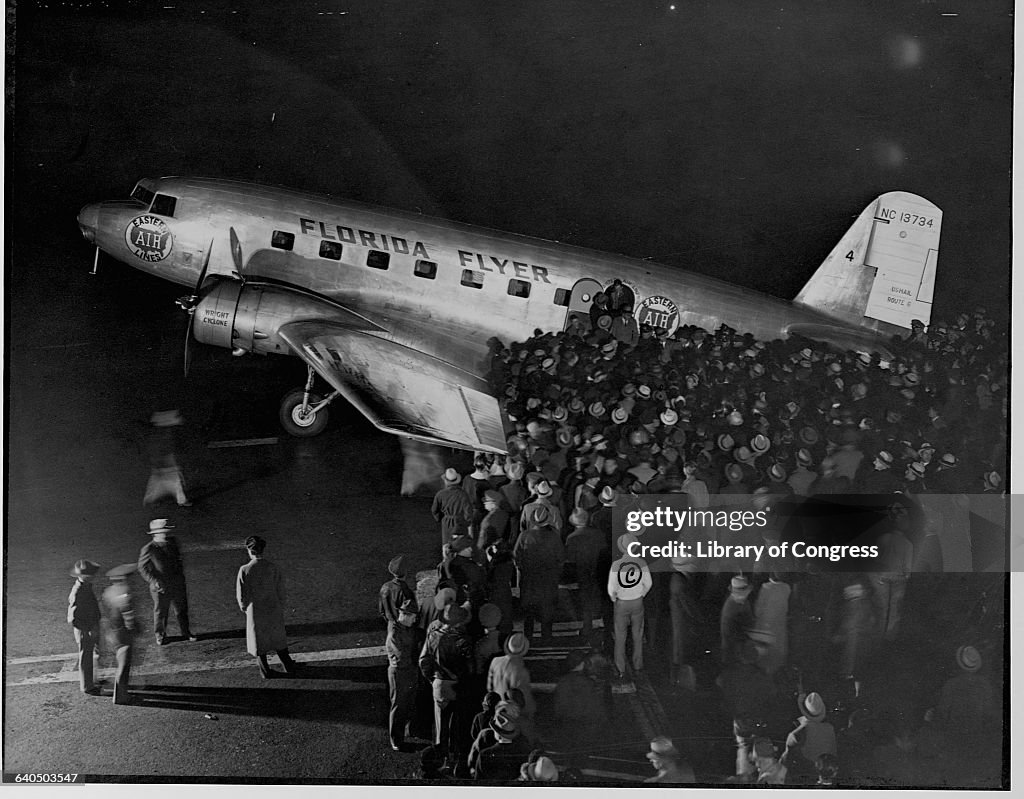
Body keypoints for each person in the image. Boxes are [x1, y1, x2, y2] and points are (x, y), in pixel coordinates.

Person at [419, 602, 475, 767]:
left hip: (439, 683)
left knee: (440, 724)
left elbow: (423, 661)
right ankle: (454, 758)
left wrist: (432, 679)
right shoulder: (463, 641)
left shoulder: (433, 636)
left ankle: (440, 757)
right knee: (456, 725)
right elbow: (470, 667)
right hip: (457, 685)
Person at [236, 536, 299, 678]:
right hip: (273, 606)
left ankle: (264, 670)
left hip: (255, 609)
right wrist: (281, 604)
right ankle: (288, 665)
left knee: (259, 640)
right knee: (278, 637)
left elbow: (241, 594)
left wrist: (244, 607)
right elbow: (280, 589)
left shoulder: (245, 569)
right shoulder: (272, 567)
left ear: (249, 550)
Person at [137, 518, 196, 645]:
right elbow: (142, 568)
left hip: (177, 583)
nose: (166, 534)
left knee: (181, 609)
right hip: (160, 586)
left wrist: (180, 577)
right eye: (164, 531)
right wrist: (154, 581)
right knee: (161, 611)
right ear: (156, 533)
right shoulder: (149, 549)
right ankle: (160, 635)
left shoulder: (173, 542)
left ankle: (186, 632)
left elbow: (179, 560)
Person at [513, 505, 565, 642]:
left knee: (529, 609)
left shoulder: (524, 536)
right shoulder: (553, 537)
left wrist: (522, 569)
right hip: (548, 579)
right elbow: (561, 558)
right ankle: (546, 637)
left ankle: (528, 636)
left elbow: (516, 556)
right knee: (547, 608)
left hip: (529, 578)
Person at [607, 533, 652, 679]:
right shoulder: (642, 563)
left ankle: (620, 668)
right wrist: (641, 593)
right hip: (637, 601)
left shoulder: (616, 565)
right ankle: (638, 665)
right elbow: (649, 583)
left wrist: (614, 598)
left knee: (620, 636)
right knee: (638, 635)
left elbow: (611, 587)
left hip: (621, 603)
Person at [386, 598, 422, 752]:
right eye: (413, 617)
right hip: (400, 672)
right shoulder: (395, 633)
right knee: (399, 706)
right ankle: (396, 739)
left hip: (409, 671)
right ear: (405, 615)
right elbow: (402, 657)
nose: (415, 620)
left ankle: (407, 730)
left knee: (408, 702)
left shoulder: (406, 628)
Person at [102, 564, 140, 706]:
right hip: (123, 632)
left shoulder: (108, 591)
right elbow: (128, 613)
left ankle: (121, 693)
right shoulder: (125, 593)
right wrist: (133, 628)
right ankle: (121, 696)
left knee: (120, 662)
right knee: (124, 665)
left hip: (112, 631)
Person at [67, 559, 103, 695]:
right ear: (85, 576)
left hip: (90, 625)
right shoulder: (78, 591)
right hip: (85, 628)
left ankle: (92, 680)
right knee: (86, 657)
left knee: (90, 655)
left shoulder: (85, 586)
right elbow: (73, 616)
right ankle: (87, 685)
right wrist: (86, 630)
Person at [143, 409, 191, 507]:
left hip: (162, 465)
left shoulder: (159, 435)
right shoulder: (163, 436)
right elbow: (165, 451)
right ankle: (181, 501)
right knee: (173, 482)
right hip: (165, 465)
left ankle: (150, 500)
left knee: (160, 482)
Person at [431, 468, 475, 548]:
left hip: (446, 523)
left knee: (446, 546)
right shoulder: (463, 494)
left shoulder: (440, 494)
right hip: (460, 523)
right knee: (459, 546)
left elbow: (434, 510)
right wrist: (467, 524)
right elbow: (468, 512)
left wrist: (441, 518)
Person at [379, 554, 417, 628]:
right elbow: (411, 615)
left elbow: (382, 610)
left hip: (391, 624)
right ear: (406, 572)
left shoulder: (385, 587)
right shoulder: (406, 592)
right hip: (404, 627)